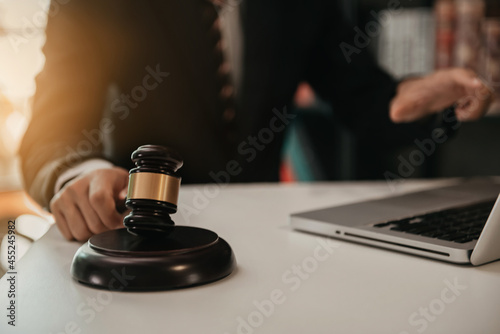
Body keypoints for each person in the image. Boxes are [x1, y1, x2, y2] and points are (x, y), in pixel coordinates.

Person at [20, 0, 493, 241]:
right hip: (135, 239)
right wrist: (79, 176)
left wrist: (423, 98)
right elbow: (50, 137)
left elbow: (366, 101)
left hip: (262, 234)